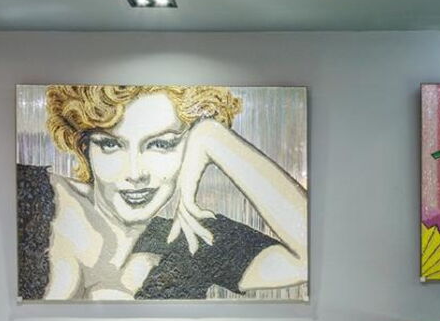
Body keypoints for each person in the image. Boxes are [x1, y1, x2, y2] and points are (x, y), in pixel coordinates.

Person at [17, 85, 308, 300]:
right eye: (110, 145)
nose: (135, 174)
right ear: (85, 149)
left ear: (188, 150)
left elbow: (308, 260)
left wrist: (211, 135)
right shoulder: (30, 193)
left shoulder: (192, 241)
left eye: (161, 144)